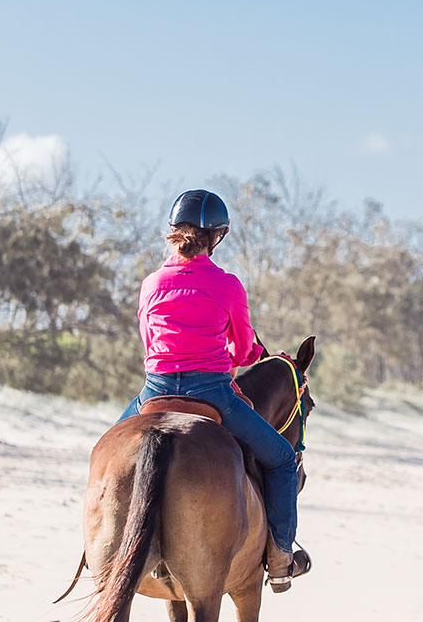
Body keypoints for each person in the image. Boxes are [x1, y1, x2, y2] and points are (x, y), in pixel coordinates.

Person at [117, 188, 310, 585]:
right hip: (212, 393)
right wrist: (252, 351)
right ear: (217, 237)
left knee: (106, 453)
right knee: (281, 460)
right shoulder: (228, 285)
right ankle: (279, 558)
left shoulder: (151, 283)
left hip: (155, 392)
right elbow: (241, 350)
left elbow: (150, 341)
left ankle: (98, 549)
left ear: (173, 232)